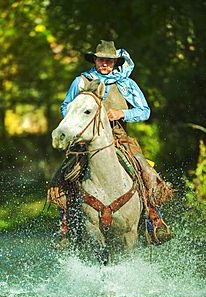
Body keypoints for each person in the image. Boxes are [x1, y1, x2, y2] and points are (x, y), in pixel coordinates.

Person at [49, 40, 174, 244]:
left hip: (120, 138)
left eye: (109, 60)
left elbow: (145, 111)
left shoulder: (127, 83)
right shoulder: (81, 82)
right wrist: (77, 122)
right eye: (101, 60)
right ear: (95, 60)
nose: (105, 64)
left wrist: (122, 113)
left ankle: (155, 220)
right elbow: (66, 107)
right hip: (86, 139)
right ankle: (65, 225)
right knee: (62, 178)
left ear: (115, 62)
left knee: (148, 174)